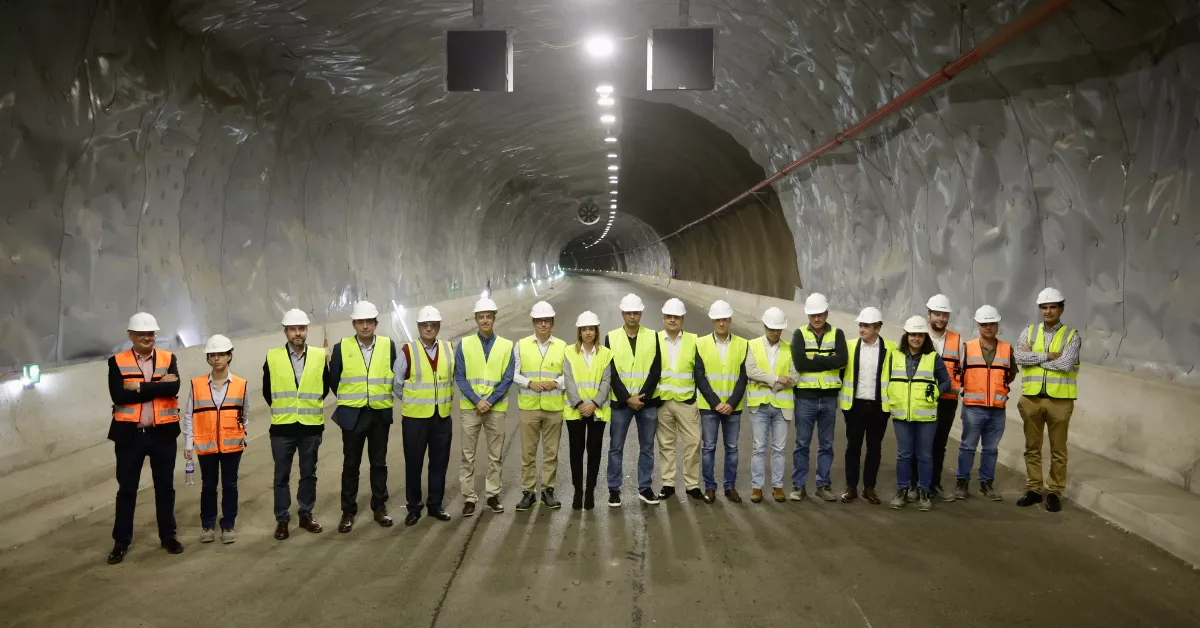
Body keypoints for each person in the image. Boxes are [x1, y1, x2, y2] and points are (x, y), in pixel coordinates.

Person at [106, 312, 183, 564]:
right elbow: (119, 396)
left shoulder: (168, 358)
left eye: (151, 334)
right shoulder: (117, 361)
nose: (148, 338)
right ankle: (121, 540)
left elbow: (174, 388)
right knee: (127, 489)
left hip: (163, 434)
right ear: (131, 336)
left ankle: (168, 535)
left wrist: (138, 387)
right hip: (130, 436)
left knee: (165, 488)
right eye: (142, 334)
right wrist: (157, 386)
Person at [329, 300, 399, 533]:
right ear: (354, 323)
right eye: (361, 322)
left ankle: (379, 507)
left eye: (370, 322)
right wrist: (353, 399)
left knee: (379, 463)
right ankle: (347, 511)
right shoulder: (342, 347)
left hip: (379, 414)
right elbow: (334, 381)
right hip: (353, 415)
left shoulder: (388, 346)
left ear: (376, 323)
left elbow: (392, 373)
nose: (366, 326)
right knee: (351, 464)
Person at [264, 309, 329, 540]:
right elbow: (267, 390)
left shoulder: (320, 356)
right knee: (281, 476)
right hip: (283, 427)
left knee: (308, 473)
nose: (297, 333)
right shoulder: (273, 357)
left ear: (306, 330)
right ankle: (282, 520)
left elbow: (324, 386)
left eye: (301, 328)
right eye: (293, 329)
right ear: (286, 332)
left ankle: (305, 514)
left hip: (311, 426)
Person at [1014, 287, 1081, 513]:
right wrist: (1046, 356)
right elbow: (1019, 356)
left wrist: (1034, 359)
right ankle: (1034, 489)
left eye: (1053, 307)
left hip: (1060, 402)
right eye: (1044, 307)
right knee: (1031, 447)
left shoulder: (1072, 336)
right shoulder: (1029, 332)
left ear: (1061, 309)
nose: (1048, 311)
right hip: (1031, 399)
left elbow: (1066, 364)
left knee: (1058, 449)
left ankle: (1054, 491)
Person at [182, 334, 247, 544]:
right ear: (208, 358)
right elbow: (189, 415)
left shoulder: (241, 384)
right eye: (212, 355)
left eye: (221, 354)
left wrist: (237, 434)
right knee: (208, 485)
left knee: (230, 485)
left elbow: (244, 415)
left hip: (231, 445)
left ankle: (228, 525)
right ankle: (207, 525)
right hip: (205, 444)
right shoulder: (197, 385)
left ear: (229, 356)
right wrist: (188, 443)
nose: (216, 358)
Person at [394, 306, 456, 526]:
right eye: (424, 325)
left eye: (432, 325)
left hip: (442, 417)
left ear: (438, 326)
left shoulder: (449, 348)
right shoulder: (407, 351)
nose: (428, 329)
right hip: (415, 420)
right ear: (418, 327)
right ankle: (413, 508)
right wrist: (415, 402)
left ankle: (435, 505)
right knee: (414, 464)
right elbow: (397, 384)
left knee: (439, 463)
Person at [456, 297, 515, 517]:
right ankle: (469, 498)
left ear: (494, 318)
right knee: (467, 455)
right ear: (475, 319)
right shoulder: (464, 344)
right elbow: (460, 376)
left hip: (495, 408)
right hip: (470, 408)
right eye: (481, 317)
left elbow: (508, 377)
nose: (484, 320)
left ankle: (492, 495)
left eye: (488, 316)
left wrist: (489, 401)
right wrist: (477, 400)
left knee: (495, 455)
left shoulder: (507, 346)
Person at [887, 316, 952, 511]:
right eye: (913, 334)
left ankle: (924, 492)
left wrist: (937, 393)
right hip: (901, 415)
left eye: (920, 335)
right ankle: (902, 491)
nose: (916, 338)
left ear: (925, 338)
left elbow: (946, 381)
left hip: (926, 416)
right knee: (904, 454)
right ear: (906, 336)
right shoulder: (895, 356)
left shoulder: (932, 358)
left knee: (924, 455)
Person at [953, 305, 1016, 501]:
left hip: (997, 410)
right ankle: (961, 483)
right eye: (984, 324)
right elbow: (958, 373)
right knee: (968, 447)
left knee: (991, 449)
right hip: (973, 408)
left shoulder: (1007, 349)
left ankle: (986, 484)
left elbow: (1010, 374)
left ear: (997, 325)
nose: (989, 327)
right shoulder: (967, 348)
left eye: (992, 324)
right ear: (978, 325)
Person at [605, 293, 663, 507]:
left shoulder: (653, 336)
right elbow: (610, 370)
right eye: (628, 312)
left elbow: (656, 369)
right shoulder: (611, 337)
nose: (632, 316)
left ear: (641, 314)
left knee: (647, 447)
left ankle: (645, 487)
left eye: (636, 313)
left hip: (647, 402)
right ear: (622, 314)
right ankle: (614, 489)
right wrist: (627, 398)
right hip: (621, 403)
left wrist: (642, 396)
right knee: (616, 447)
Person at [789, 293, 848, 502]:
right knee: (802, 443)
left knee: (826, 444)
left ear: (826, 313)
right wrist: (827, 360)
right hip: (806, 397)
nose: (816, 319)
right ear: (808, 315)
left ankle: (823, 484)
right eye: (813, 315)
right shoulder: (799, 334)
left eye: (820, 314)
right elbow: (801, 364)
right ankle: (798, 485)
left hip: (829, 398)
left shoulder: (837, 334)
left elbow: (842, 360)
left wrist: (815, 358)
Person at [838, 307, 896, 505]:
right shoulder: (849, 346)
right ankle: (851, 487)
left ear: (877, 328)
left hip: (878, 407)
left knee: (874, 448)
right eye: (860, 325)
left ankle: (869, 488)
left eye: (866, 326)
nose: (861, 329)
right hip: (854, 406)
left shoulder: (891, 348)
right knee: (853, 447)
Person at [513, 300, 567, 511]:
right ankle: (528, 492)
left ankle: (547, 491)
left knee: (551, 452)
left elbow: (568, 375)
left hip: (554, 407)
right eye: (539, 321)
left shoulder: (562, 346)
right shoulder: (522, 345)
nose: (543, 324)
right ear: (533, 323)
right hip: (529, 407)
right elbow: (514, 374)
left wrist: (555, 383)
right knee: (528, 452)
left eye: (547, 321)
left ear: (552, 323)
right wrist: (530, 383)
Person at [745, 307, 799, 503]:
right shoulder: (752, 345)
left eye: (779, 329)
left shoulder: (789, 348)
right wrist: (777, 379)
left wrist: (768, 383)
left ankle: (778, 486)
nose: (776, 332)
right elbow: (751, 371)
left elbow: (794, 377)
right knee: (758, 448)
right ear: (765, 326)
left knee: (779, 448)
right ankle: (757, 487)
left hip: (781, 407)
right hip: (759, 405)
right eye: (772, 329)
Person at [696, 300, 748, 503]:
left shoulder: (743, 344)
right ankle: (709, 487)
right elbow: (699, 376)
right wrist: (716, 402)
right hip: (709, 407)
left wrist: (731, 403)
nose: (721, 323)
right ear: (712, 320)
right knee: (708, 447)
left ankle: (730, 486)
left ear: (730, 320)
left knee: (732, 448)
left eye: (724, 319)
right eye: (717, 319)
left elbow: (743, 377)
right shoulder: (700, 343)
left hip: (733, 408)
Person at [654, 298, 705, 502]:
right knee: (666, 444)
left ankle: (692, 484)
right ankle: (668, 484)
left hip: (686, 401)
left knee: (693, 442)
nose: (672, 320)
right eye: (669, 317)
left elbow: (699, 372)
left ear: (683, 319)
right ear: (664, 318)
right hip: (663, 401)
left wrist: (697, 398)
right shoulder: (654, 339)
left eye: (676, 317)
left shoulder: (694, 340)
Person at [563, 311, 613, 510]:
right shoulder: (568, 352)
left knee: (594, 452)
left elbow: (607, 381)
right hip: (575, 412)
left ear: (596, 331)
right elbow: (568, 380)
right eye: (584, 329)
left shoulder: (606, 354)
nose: (588, 332)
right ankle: (578, 491)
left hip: (597, 411)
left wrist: (594, 403)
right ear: (579, 332)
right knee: (576, 452)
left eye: (591, 329)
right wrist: (579, 404)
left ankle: (590, 490)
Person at [921, 294, 964, 502]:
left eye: (944, 315)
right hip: (922, 398)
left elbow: (962, 369)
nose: (940, 318)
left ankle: (934, 484)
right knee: (921, 442)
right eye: (937, 314)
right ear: (929, 314)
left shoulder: (957, 340)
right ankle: (916, 484)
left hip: (947, 399)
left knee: (939, 443)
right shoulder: (918, 336)